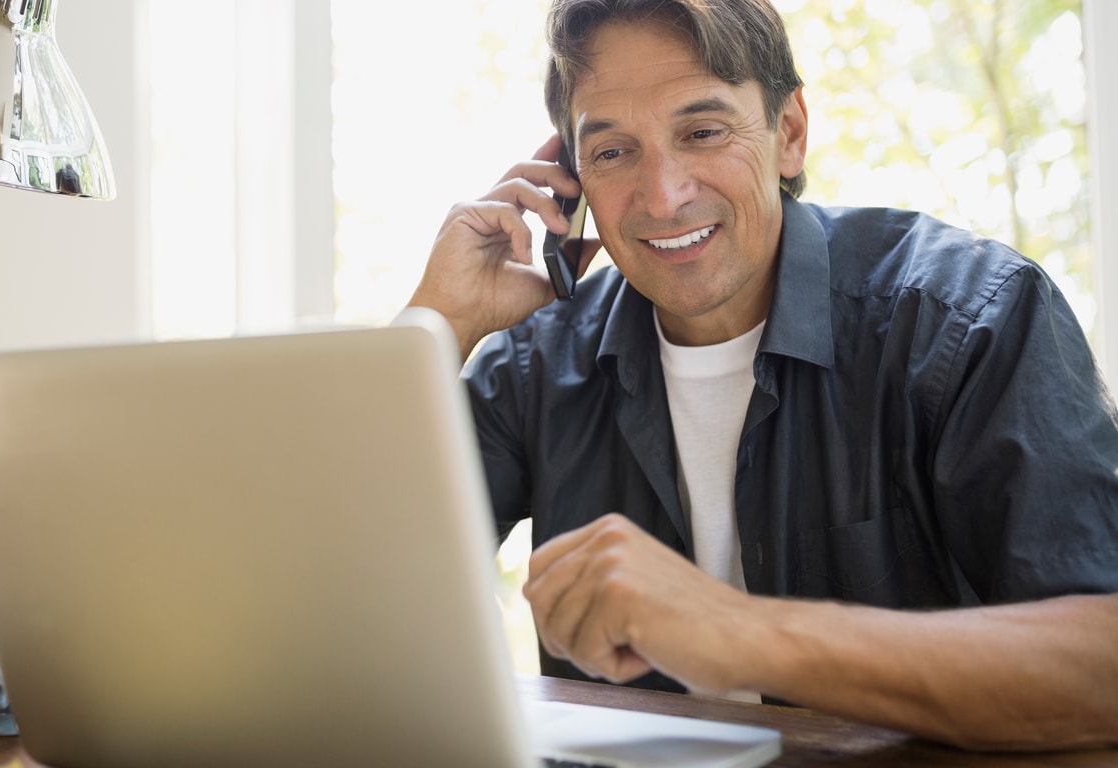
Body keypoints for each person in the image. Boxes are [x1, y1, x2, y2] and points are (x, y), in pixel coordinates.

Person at [405, 0, 1118, 752]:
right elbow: (330, 602)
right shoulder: (537, 360)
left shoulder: (962, 319)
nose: (662, 194)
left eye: (702, 132)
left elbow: (1100, 667)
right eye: (611, 152)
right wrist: (437, 322)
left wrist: (735, 631)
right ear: (569, 180)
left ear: (788, 132)